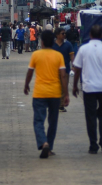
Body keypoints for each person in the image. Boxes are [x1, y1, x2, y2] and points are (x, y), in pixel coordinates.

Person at [24, 30, 69, 159]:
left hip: (39, 93)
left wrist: (26, 85)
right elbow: (63, 76)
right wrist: (66, 94)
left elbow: (30, 72)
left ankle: (43, 143)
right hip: (55, 94)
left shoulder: (36, 55)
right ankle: (49, 147)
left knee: (38, 120)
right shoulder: (58, 56)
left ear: (41, 42)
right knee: (53, 122)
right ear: (53, 41)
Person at [72, 25, 102, 154]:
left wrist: (75, 86)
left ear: (90, 35)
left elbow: (77, 69)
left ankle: (93, 144)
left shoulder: (83, 49)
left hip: (89, 88)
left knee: (90, 116)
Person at [52, 27, 74, 113]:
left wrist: (73, 66)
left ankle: (61, 105)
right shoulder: (52, 44)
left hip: (65, 70)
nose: (64, 35)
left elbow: (72, 56)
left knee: (63, 87)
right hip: (53, 70)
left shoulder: (68, 44)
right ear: (57, 35)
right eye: (62, 33)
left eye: (65, 33)